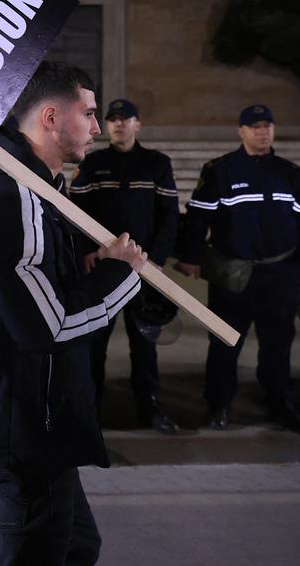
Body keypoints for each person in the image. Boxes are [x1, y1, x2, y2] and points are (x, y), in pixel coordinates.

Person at [0, 61, 145, 566]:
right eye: (87, 114)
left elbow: (20, 291)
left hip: (25, 411)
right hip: (23, 419)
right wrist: (122, 274)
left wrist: (84, 271)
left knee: (76, 546)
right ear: (50, 117)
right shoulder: (14, 196)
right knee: (37, 554)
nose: (96, 127)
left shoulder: (24, 187)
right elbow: (50, 325)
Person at [175, 104, 300, 434]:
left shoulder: (289, 173)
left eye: (267, 125)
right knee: (224, 343)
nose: (262, 131)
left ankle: (280, 403)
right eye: (254, 126)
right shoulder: (220, 171)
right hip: (233, 275)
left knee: (278, 345)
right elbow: (198, 220)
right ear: (241, 131)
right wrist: (191, 257)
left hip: (280, 274)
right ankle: (219, 405)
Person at [69, 98, 180, 434]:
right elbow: (78, 213)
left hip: (143, 270)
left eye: (125, 119)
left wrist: (157, 259)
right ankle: (89, 411)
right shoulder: (92, 162)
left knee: (144, 344)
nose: (118, 124)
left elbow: (169, 216)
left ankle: (149, 407)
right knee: (94, 342)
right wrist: (88, 251)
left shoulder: (156, 163)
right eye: (113, 119)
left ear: (137, 124)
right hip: (103, 268)